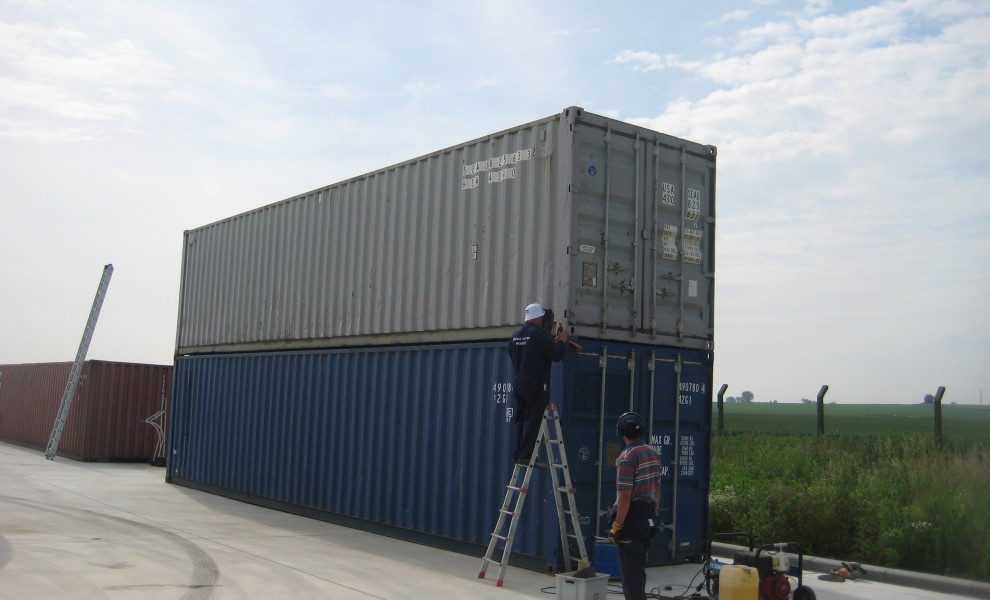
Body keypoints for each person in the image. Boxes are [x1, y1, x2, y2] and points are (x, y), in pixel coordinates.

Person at [506, 302, 569, 465]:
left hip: (519, 381)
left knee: (522, 418)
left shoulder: (515, 335)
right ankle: (526, 456)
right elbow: (555, 355)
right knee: (533, 419)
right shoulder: (539, 334)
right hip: (536, 383)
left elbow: (513, 353)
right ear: (538, 317)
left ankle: (518, 453)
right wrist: (561, 341)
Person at [608, 412, 661, 600]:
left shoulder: (627, 457)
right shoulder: (653, 453)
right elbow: (657, 488)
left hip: (630, 519)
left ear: (621, 431)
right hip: (646, 518)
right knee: (638, 570)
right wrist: (654, 512)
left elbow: (624, 496)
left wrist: (617, 526)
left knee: (630, 576)